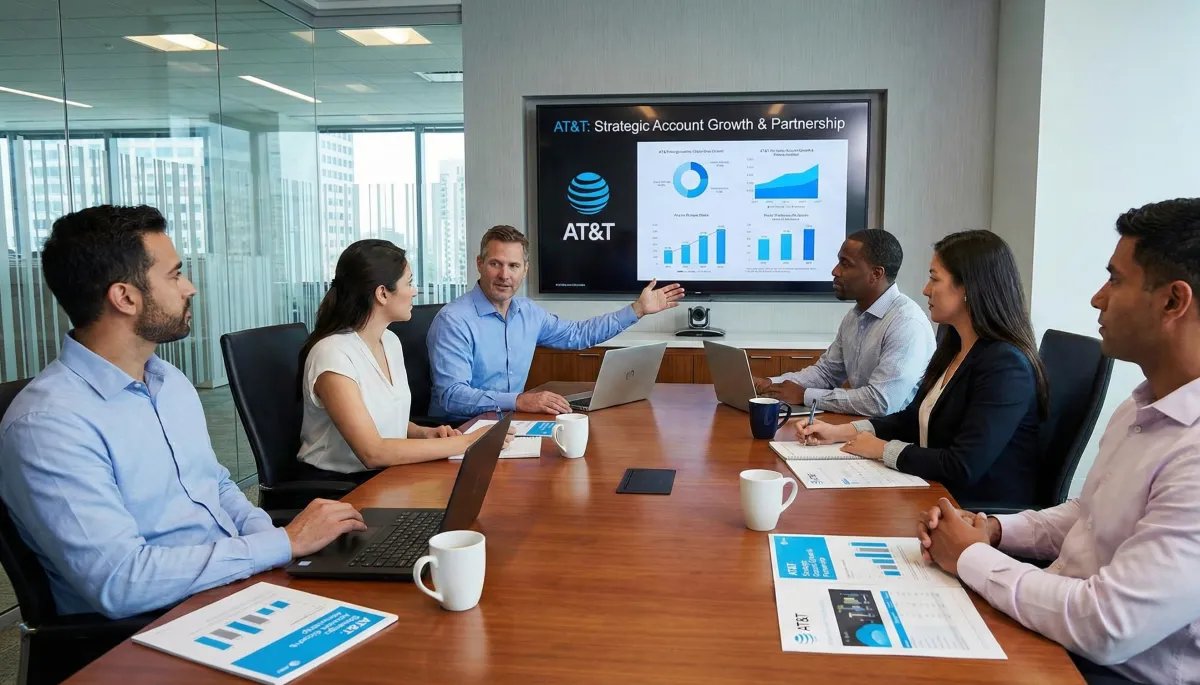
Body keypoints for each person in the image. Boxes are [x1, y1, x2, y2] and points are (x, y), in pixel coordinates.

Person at [0, 205, 366, 620]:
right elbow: (120, 582)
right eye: (174, 275)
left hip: (232, 586)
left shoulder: (167, 380)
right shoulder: (49, 425)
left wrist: (283, 542)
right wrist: (281, 544)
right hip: (154, 626)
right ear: (125, 297)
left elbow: (216, 485)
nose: (189, 288)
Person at [918, 199, 1200, 685]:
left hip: (1107, 670)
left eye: (1115, 280)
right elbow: (1088, 514)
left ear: (1173, 301)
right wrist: (994, 531)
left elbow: (1107, 625)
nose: (1097, 299)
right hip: (1054, 627)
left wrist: (969, 556)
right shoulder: (1141, 406)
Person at [800, 230, 1048, 507]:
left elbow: (962, 465)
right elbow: (911, 419)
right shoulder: (954, 345)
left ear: (968, 288)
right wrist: (843, 432)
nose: (926, 290)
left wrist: (882, 449)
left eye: (934, 278)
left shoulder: (1006, 366)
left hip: (974, 511)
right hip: (936, 492)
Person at [297, 240, 508, 483]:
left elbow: (380, 416)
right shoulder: (332, 354)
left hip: (388, 474)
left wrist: (422, 433)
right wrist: (469, 442)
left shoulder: (390, 341)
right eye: (409, 283)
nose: (415, 291)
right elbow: (372, 452)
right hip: (340, 486)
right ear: (382, 294)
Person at [427, 225, 685, 422]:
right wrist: (519, 401)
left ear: (525, 270)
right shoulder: (454, 320)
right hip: (459, 431)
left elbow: (577, 334)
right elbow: (452, 395)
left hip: (508, 424)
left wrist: (637, 310)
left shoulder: (528, 312)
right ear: (480, 264)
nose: (505, 275)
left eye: (513, 266)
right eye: (496, 264)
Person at [754, 229, 935, 416]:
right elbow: (827, 373)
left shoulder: (907, 324)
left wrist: (805, 396)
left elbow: (880, 402)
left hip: (893, 431)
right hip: (863, 425)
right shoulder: (855, 316)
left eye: (845, 264)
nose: (835, 271)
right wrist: (771, 384)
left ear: (876, 274)